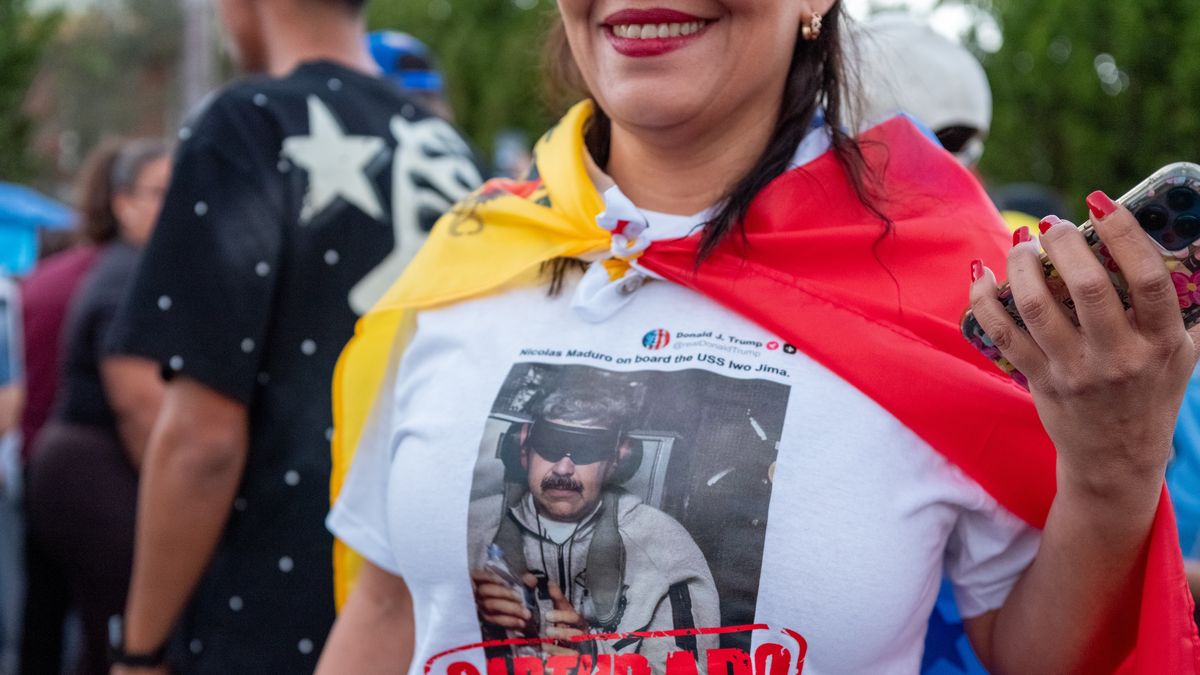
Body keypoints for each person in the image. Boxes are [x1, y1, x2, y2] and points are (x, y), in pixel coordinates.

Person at [320, 1, 1199, 674]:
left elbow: (1030, 651)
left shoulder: (960, 286)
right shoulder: (471, 255)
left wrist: (1111, 470)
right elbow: (387, 611)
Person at [104, 0, 482, 673]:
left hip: (273, 612)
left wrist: (140, 647)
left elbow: (202, 439)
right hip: (427, 614)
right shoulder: (451, 149)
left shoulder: (247, 124)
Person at [19, 139, 171, 675]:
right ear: (122, 203)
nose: (174, 207)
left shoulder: (127, 268)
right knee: (119, 634)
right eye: (159, 194)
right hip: (93, 469)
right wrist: (180, 497)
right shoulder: (128, 275)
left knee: (73, 629)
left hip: (67, 468)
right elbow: (138, 405)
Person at [467, 379, 719, 664]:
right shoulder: (467, 530)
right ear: (523, 447)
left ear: (617, 460)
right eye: (550, 444)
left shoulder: (665, 546)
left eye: (587, 448)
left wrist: (594, 660)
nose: (563, 468)